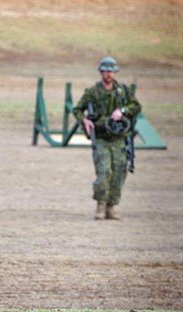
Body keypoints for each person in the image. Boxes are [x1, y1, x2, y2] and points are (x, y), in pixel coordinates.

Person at [73, 56, 141, 220]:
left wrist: (122, 111)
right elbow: (77, 110)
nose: (108, 74)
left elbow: (136, 106)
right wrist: (85, 120)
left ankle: (112, 206)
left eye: (111, 71)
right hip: (102, 138)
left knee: (119, 173)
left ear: (115, 72)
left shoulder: (122, 91)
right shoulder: (93, 92)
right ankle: (101, 206)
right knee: (104, 172)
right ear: (101, 72)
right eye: (105, 70)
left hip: (119, 139)